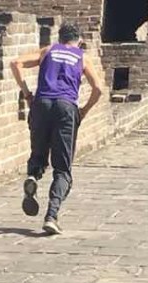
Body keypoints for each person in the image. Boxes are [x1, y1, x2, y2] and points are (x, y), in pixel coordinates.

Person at [10, 23, 105, 235]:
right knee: (62, 169)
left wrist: (27, 94)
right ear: (79, 41)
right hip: (66, 107)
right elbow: (98, 88)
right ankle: (51, 216)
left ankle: (33, 177)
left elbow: (15, 63)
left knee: (38, 153)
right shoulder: (82, 57)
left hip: (41, 103)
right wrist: (83, 111)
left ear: (59, 38)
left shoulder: (48, 50)